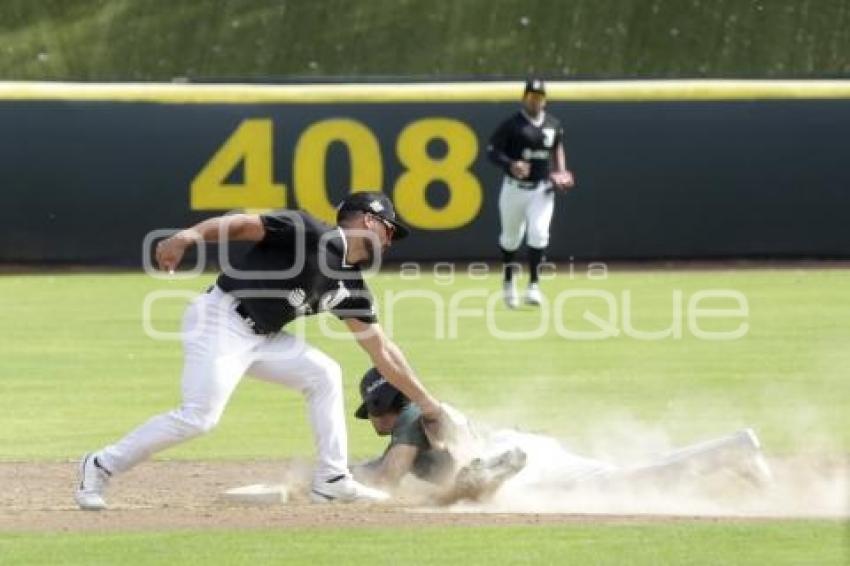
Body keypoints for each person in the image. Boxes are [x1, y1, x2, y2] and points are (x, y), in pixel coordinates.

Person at [75, 192, 447, 510]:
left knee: (324, 374)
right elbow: (239, 225)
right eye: (390, 230)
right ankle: (100, 465)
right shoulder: (307, 231)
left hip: (263, 337)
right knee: (200, 417)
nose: (390, 241)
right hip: (220, 319)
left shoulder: (351, 283)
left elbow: (383, 352)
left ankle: (332, 479)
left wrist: (429, 406)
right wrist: (187, 236)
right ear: (369, 220)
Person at [350, 367, 773, 505]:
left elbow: (388, 477)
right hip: (523, 450)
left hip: (512, 464)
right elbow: (381, 468)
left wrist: (335, 484)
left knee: (629, 484)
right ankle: (732, 450)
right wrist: (343, 472)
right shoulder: (423, 415)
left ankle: (734, 451)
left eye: (371, 413)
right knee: (628, 477)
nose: (371, 421)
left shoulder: (408, 418)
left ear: (385, 404)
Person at [487, 78, 575, 308]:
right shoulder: (512, 124)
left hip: (542, 189)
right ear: (524, 98)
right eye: (531, 97)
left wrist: (561, 171)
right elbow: (491, 151)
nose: (535, 101)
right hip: (514, 189)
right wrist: (510, 164)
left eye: (539, 97)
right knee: (510, 238)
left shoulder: (554, 124)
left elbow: (557, 146)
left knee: (539, 233)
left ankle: (533, 285)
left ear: (545, 100)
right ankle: (508, 282)